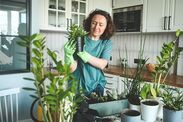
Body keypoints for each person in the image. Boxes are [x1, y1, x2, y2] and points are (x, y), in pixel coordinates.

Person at [64, 9, 115, 97]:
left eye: (101, 25)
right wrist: (68, 55)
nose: (96, 27)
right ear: (89, 23)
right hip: (76, 87)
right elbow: (72, 69)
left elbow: (102, 64)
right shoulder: (79, 39)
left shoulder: (106, 43)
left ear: (106, 27)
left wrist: (86, 56)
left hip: (96, 86)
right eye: (94, 23)